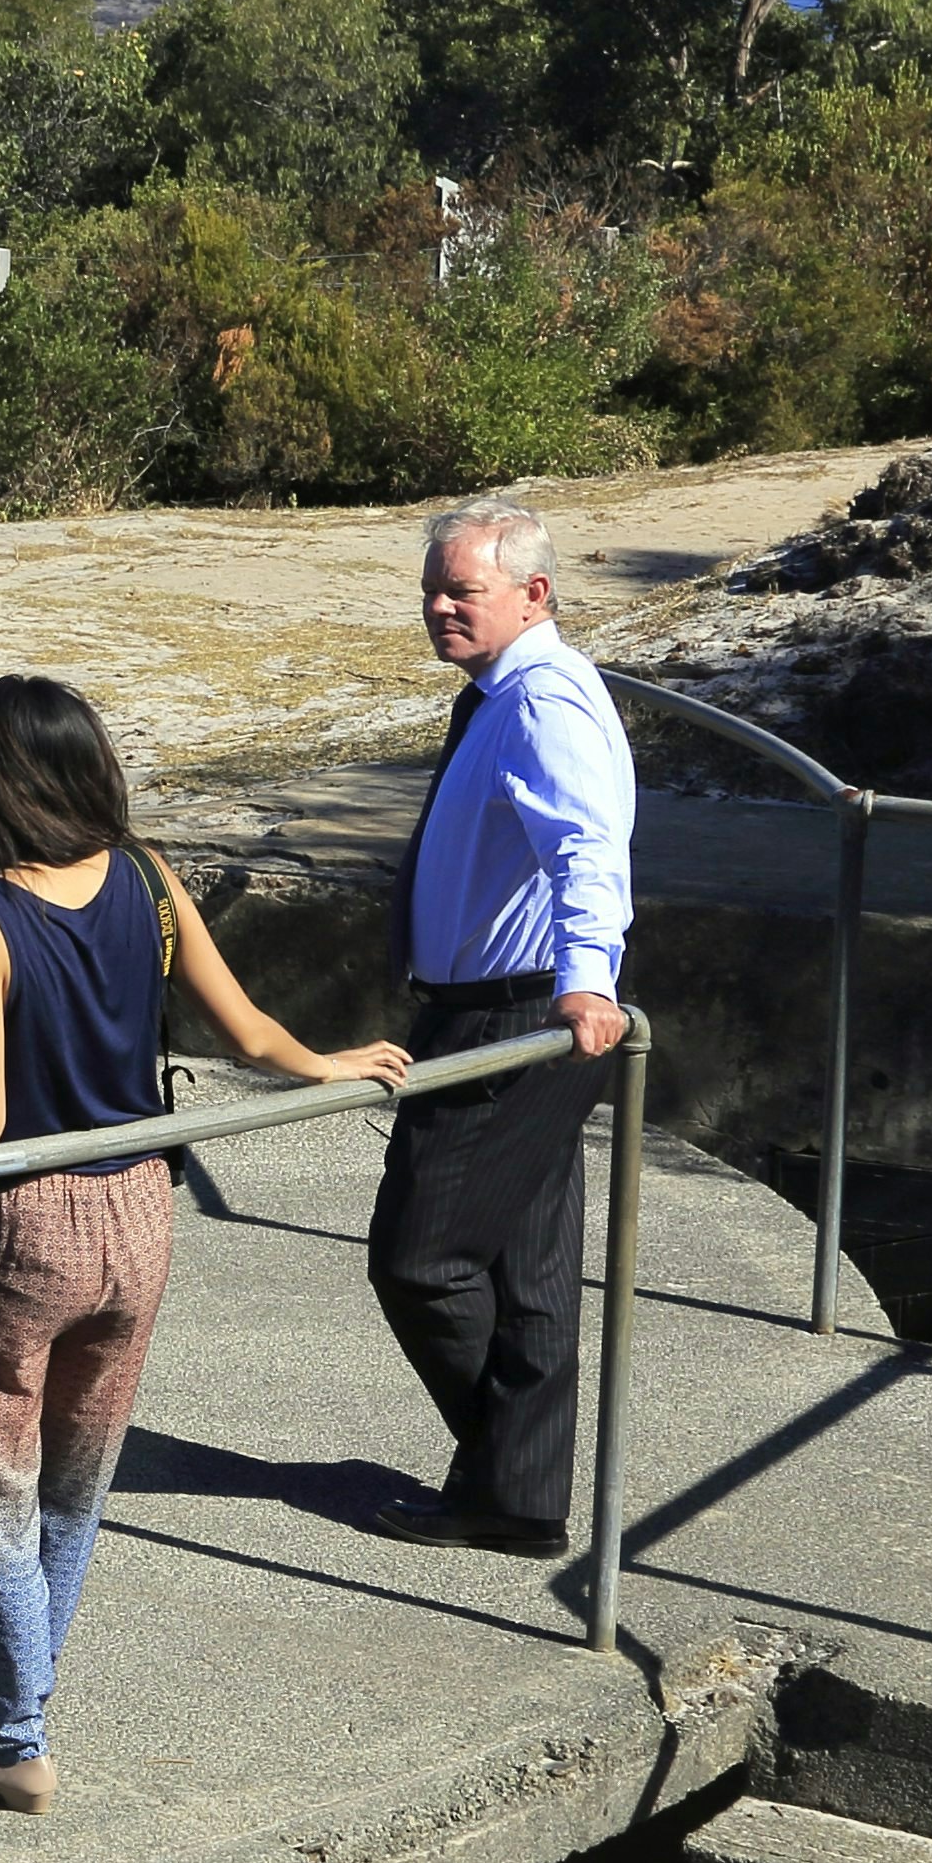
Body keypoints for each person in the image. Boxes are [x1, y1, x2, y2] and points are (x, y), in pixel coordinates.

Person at [0, 674, 404, 1810]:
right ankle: (10, 1691)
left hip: (23, 1223)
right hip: (140, 1211)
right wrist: (334, 1062)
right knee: (75, 1482)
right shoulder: (150, 877)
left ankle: (13, 1745)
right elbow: (253, 1030)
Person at [367, 492, 637, 1554]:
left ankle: (503, 1472)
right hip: (487, 1001)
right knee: (528, 1271)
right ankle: (517, 1501)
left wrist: (586, 982)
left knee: (420, 1257)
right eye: (432, 589)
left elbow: (587, 847)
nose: (438, 606)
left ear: (534, 593)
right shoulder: (502, 690)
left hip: (521, 1013)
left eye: (460, 590)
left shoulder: (542, 703)